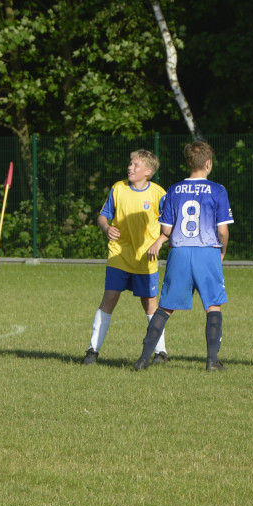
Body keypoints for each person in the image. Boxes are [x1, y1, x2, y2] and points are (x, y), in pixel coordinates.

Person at [134, 141, 234, 371]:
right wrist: (223, 251)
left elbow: (166, 231)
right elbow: (222, 230)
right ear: (208, 163)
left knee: (165, 307)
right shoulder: (217, 190)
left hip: (178, 252)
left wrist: (160, 241)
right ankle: (212, 361)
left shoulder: (174, 189)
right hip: (206, 251)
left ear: (188, 162)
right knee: (213, 306)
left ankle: (142, 359)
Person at [84, 150, 168, 365]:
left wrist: (159, 241)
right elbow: (103, 216)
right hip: (119, 255)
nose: (130, 167)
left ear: (148, 172)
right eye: (130, 163)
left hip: (145, 258)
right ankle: (92, 351)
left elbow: (170, 225)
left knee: (150, 304)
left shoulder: (159, 194)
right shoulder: (118, 188)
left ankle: (160, 352)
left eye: (136, 165)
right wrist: (106, 227)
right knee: (109, 298)